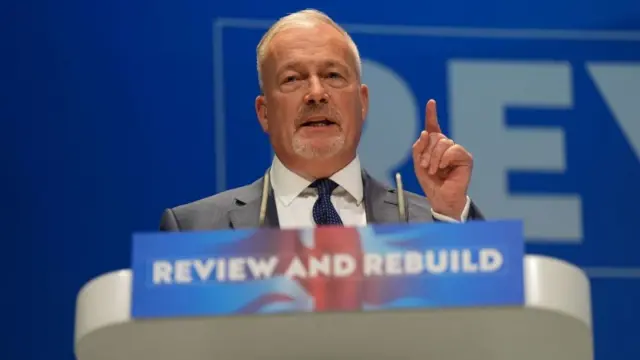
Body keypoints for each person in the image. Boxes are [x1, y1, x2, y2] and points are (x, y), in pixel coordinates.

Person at [159, 9, 483, 231]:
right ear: (265, 113)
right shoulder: (194, 230)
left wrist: (451, 215)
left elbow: (483, 323)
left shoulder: (435, 223)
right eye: (292, 79)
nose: (316, 93)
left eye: (332, 75)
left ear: (362, 103)